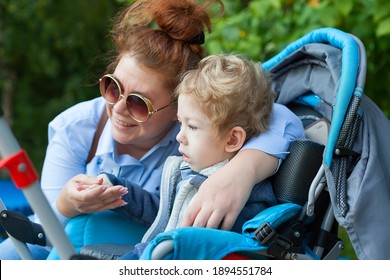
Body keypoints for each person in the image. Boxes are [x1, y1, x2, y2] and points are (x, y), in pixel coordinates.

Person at [0, 0, 304, 260]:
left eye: (139, 103)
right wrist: (66, 204)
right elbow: (41, 235)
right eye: (112, 86)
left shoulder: (198, 134)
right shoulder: (75, 129)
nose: (118, 107)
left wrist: (241, 171)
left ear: (179, 107)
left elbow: (284, 119)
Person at [105, 53, 279, 259]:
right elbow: (163, 214)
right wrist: (118, 190)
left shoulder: (242, 200)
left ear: (232, 140)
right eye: (181, 123)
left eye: (192, 127)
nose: (180, 136)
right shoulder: (189, 171)